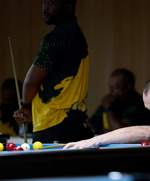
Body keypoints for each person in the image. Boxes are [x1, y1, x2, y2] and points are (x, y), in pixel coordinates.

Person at [13, 0, 93, 143]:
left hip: (52, 124)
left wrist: (25, 106)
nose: (44, 7)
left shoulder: (55, 38)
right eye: (44, 2)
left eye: (51, 3)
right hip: (74, 121)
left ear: (67, 7)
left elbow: (31, 81)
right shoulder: (77, 35)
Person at [87, 69, 150, 134]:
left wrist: (108, 108)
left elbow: (120, 130)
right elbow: (90, 125)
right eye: (110, 87)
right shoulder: (113, 100)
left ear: (128, 87)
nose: (111, 91)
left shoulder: (139, 103)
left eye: (116, 87)